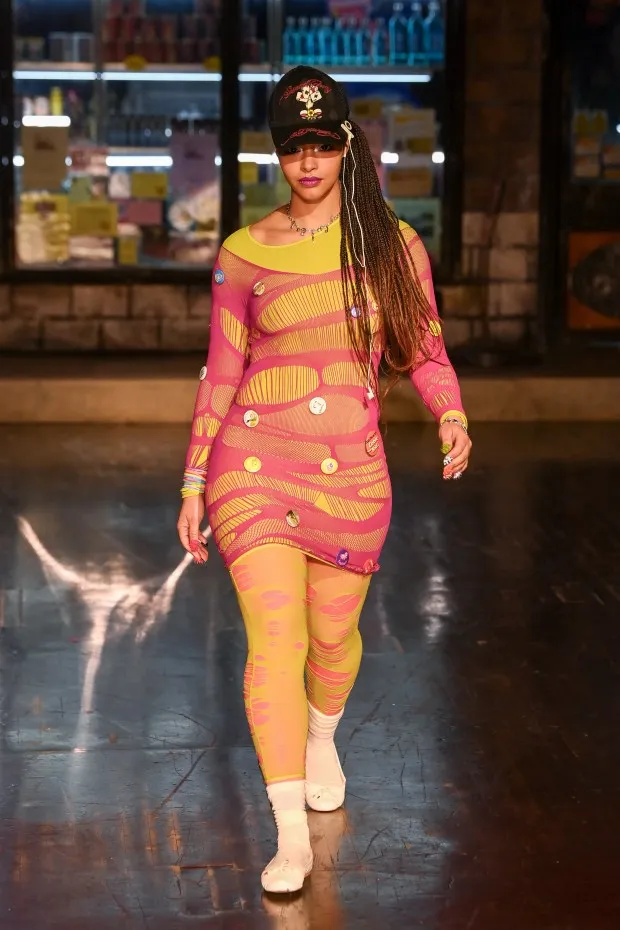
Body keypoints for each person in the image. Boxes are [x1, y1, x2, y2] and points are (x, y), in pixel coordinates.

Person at [177, 66, 471, 894]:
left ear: (346, 142)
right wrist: (195, 480)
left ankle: (321, 734)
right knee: (276, 641)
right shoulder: (242, 254)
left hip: (351, 476)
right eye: (291, 146)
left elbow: (425, 347)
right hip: (254, 466)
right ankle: (290, 832)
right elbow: (220, 375)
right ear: (277, 154)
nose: (307, 161)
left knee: (332, 643)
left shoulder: (389, 244)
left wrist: (449, 411)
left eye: (320, 143)